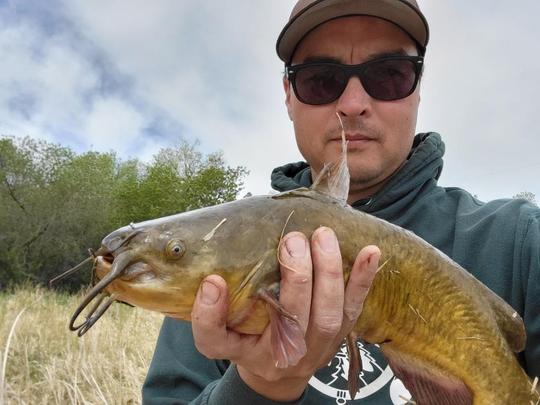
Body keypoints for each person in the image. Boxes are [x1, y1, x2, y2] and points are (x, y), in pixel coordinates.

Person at [142, 0, 540, 403]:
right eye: (321, 79)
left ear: (418, 88)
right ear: (288, 95)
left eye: (389, 75)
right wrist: (258, 387)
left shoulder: (520, 241)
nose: (352, 104)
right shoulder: (217, 253)